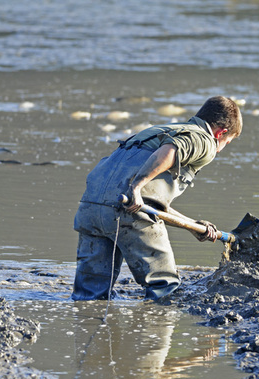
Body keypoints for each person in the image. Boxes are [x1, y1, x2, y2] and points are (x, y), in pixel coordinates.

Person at [72, 96, 243, 301]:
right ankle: (155, 329)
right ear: (221, 133)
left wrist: (192, 226)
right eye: (228, 142)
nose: (223, 147)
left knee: (89, 294)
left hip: (90, 208)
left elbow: (152, 202)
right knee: (165, 287)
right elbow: (171, 151)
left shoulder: (158, 130)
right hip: (129, 211)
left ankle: (86, 326)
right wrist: (137, 186)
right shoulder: (204, 140)